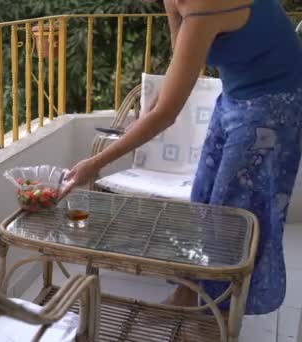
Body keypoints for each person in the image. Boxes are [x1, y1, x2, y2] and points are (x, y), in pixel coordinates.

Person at [62, 0, 302, 315]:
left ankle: (213, 318)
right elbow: (182, 60)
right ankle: (189, 294)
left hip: (273, 106)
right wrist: (173, 11)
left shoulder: (206, 5)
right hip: (234, 97)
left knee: (231, 219)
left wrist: (95, 164)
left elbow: (166, 114)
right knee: (202, 198)